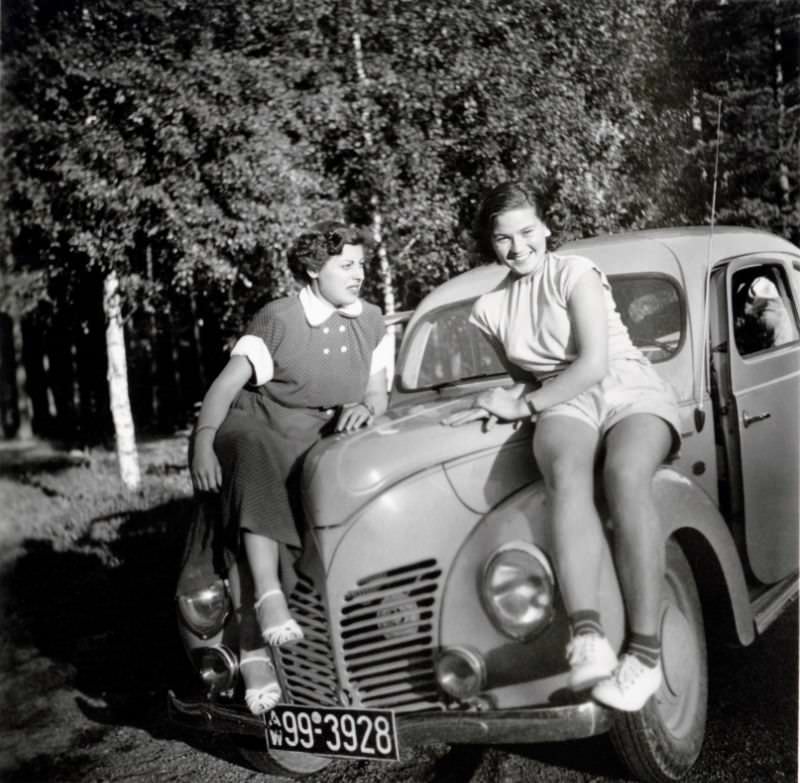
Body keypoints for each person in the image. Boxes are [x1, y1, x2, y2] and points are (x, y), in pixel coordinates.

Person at [444, 182, 681, 712]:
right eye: (503, 237)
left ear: (546, 228)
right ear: (490, 242)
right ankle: (589, 639)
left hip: (624, 383)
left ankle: (644, 655)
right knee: (565, 475)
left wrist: (522, 406)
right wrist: (501, 397)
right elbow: (528, 377)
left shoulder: (574, 272)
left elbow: (594, 362)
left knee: (623, 474)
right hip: (562, 400)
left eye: (527, 231)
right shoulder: (488, 308)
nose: (518, 246)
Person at [188, 221, 390, 715]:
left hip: (315, 431)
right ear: (311, 268)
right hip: (255, 423)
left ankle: (338, 649)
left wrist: (367, 409)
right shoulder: (279, 318)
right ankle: (264, 608)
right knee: (257, 452)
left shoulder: (371, 320)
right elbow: (226, 386)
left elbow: (377, 391)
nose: (357, 273)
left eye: (360, 263)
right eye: (345, 264)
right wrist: (203, 442)